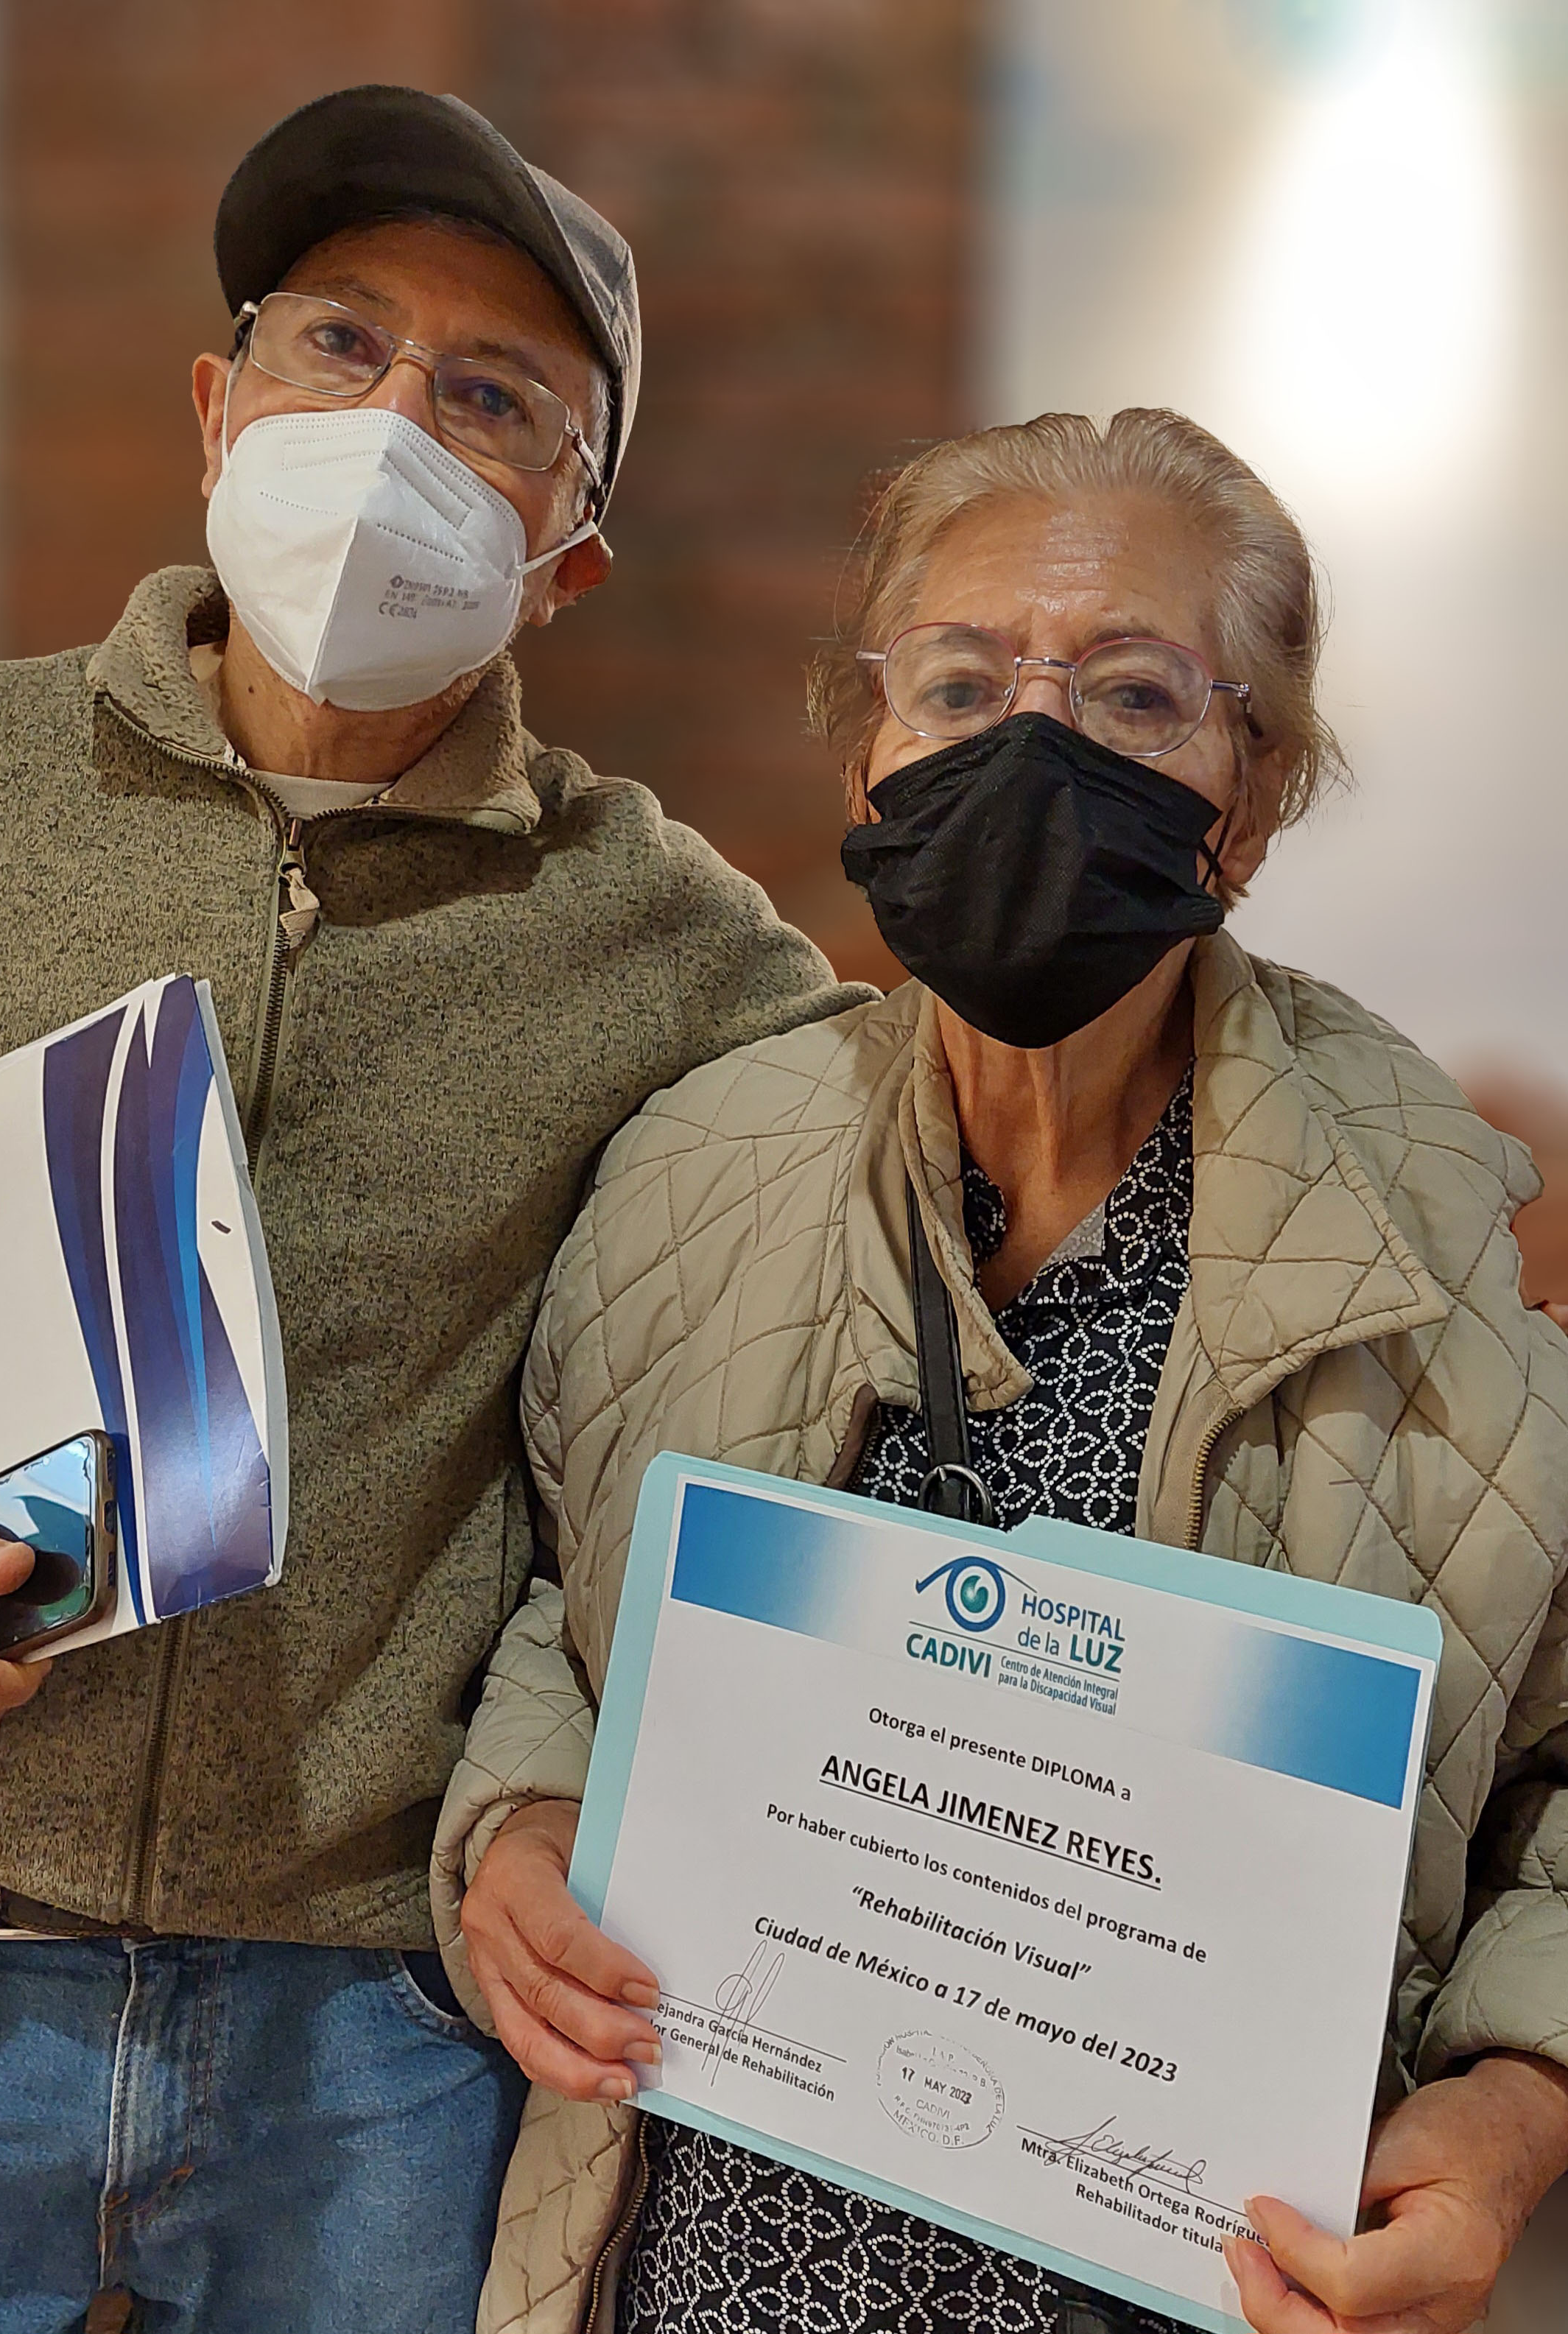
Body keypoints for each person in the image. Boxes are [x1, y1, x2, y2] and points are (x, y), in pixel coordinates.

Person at [0, 85, 865, 2334]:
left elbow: (928, 1213)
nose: (395, 414)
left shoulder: (672, 941)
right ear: (221, 404)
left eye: (490, 395)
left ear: (565, 553)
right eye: (340, 341)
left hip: (369, 2046)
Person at [435, 408, 1568, 2334]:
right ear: (865, 739)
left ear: (1254, 784)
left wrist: (1513, 2104)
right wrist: (519, 1832)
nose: (1031, 746)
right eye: (958, 681)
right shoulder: (685, 1173)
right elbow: (565, 1605)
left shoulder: (1448, 1231)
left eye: (1133, 692)